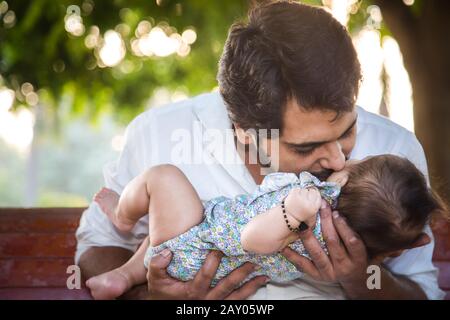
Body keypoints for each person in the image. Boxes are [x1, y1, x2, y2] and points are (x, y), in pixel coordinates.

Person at [75, 1, 445, 299]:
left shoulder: (395, 152)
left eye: (347, 132)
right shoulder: (160, 133)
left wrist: (363, 279)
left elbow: (423, 291)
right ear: (245, 131)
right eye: (307, 146)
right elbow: (98, 247)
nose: (337, 159)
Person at [84, 155, 445, 300]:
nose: (341, 157)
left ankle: (122, 215)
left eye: (355, 162)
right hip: (201, 255)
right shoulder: (354, 241)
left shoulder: (307, 208)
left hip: (197, 248)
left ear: (342, 183)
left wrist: (290, 212)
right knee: (159, 238)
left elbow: (251, 239)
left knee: (162, 177)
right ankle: (124, 277)